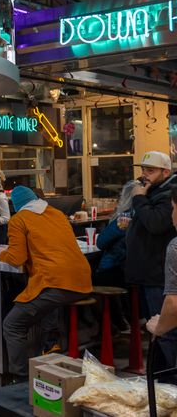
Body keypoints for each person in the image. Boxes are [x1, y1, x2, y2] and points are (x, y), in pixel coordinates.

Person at [0, 186, 92, 379]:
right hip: (82, 280)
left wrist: (1, 254)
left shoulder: (19, 219)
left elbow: (16, 258)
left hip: (55, 282)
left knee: (12, 325)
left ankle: (20, 379)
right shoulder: (57, 213)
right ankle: (50, 347)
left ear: (16, 205)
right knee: (44, 304)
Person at [125, 151, 177, 366]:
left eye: (151, 170)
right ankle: (159, 376)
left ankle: (170, 378)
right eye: (143, 169)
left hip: (159, 275)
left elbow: (156, 224)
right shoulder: (153, 191)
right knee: (154, 329)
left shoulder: (169, 194)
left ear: (166, 172)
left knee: (165, 331)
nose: (145, 174)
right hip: (148, 272)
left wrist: (138, 198)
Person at [94, 180, 137, 332]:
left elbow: (101, 242)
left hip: (118, 269)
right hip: (134, 271)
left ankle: (111, 326)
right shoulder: (145, 216)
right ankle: (127, 319)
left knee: (89, 280)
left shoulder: (124, 218)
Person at [147, 186, 177, 339]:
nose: (171, 214)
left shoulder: (175, 246)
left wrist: (158, 328)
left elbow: (174, 303)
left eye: (173, 208)